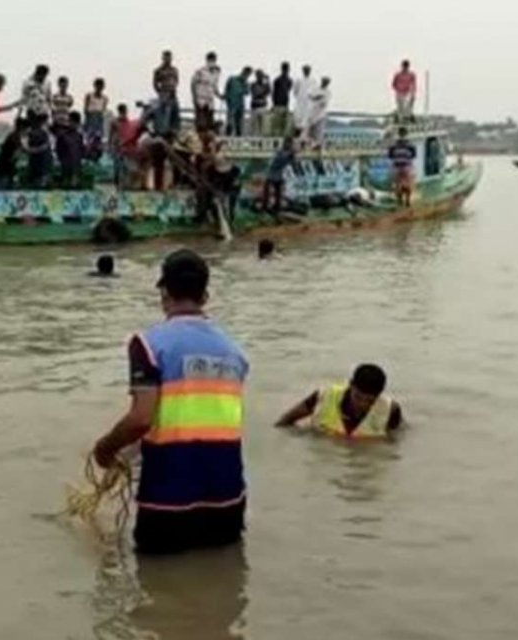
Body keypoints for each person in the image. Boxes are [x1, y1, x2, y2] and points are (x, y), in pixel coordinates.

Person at [92, 249, 250, 555]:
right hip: (228, 497)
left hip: (168, 499)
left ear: (164, 292)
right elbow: (195, 421)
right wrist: (129, 455)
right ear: (205, 296)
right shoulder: (234, 352)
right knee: (223, 577)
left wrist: (105, 449)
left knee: (156, 580)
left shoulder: (148, 345)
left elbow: (142, 419)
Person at [275, 364, 404, 441]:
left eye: (370, 401)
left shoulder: (391, 410)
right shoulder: (323, 396)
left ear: (379, 395)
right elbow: (284, 422)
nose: (362, 404)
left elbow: (395, 440)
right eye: (358, 397)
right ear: (351, 385)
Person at [143, 95, 180, 191]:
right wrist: (151, 131)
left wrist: (174, 133)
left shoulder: (173, 109)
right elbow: (145, 120)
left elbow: (176, 124)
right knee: (158, 162)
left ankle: (171, 184)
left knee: (172, 162)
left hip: (169, 137)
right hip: (158, 136)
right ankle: (158, 186)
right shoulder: (155, 109)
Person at [261, 134, 296, 214]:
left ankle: (277, 208)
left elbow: (292, 162)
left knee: (278, 193)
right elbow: (278, 160)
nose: (289, 145)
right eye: (287, 143)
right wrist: (290, 155)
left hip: (279, 174)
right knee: (267, 191)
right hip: (272, 173)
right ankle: (265, 207)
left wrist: (292, 156)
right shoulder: (279, 151)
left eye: (290, 144)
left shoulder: (289, 153)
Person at [109, 103, 141, 188]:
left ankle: (122, 183)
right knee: (119, 166)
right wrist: (110, 145)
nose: (125, 112)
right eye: (124, 111)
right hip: (119, 145)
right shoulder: (116, 121)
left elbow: (112, 134)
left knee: (122, 166)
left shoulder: (125, 121)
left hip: (123, 146)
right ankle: (118, 183)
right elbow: (111, 134)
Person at [0, 118, 27, 190]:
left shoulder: (14, 136)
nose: (26, 131)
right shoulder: (14, 136)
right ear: (21, 127)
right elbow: (22, 149)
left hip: (7, 167)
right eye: (25, 128)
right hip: (4, 168)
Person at [190, 52, 222, 132]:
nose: (212, 62)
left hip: (210, 101)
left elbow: (215, 87)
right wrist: (194, 98)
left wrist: (220, 96)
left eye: (214, 60)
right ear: (207, 60)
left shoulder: (216, 73)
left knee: (209, 123)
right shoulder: (200, 71)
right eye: (211, 60)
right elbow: (193, 84)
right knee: (201, 124)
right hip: (200, 100)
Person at [387, 127, 418, 207]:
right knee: (409, 183)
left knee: (398, 184)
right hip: (407, 165)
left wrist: (397, 156)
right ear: (406, 134)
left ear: (398, 133)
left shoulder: (393, 144)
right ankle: (407, 201)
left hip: (396, 166)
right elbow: (414, 155)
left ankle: (399, 200)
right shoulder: (410, 144)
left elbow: (390, 156)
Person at [55, 111, 85, 189]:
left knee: (74, 186)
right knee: (65, 186)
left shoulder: (79, 136)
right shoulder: (62, 136)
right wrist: (61, 160)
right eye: (71, 122)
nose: (73, 124)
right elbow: (58, 150)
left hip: (76, 167)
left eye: (76, 123)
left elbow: (82, 150)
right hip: (65, 166)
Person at [23, 116, 53, 189]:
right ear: (43, 123)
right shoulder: (42, 134)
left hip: (38, 165)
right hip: (42, 165)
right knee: (40, 184)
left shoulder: (34, 133)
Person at [305, 77, 332, 148]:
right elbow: (310, 96)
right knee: (309, 132)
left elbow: (323, 103)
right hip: (312, 113)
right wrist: (318, 97)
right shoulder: (315, 89)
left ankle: (319, 145)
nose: (325, 83)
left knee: (319, 132)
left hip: (321, 115)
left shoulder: (328, 92)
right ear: (322, 81)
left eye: (327, 82)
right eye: (324, 81)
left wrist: (317, 97)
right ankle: (312, 145)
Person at [270, 62, 293, 136]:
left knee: (284, 124)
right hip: (277, 104)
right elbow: (274, 92)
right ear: (282, 69)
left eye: (287, 69)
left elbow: (288, 90)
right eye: (285, 69)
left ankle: (282, 138)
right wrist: (274, 104)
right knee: (277, 124)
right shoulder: (277, 80)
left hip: (285, 104)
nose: (286, 71)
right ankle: (276, 138)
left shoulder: (289, 80)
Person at [83, 78, 109, 144]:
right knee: (89, 139)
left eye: (101, 86)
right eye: (98, 86)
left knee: (98, 139)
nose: (99, 88)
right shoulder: (89, 96)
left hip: (99, 119)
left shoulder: (105, 98)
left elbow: (103, 110)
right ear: (95, 86)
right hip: (90, 118)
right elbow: (85, 109)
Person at [248, 70, 271, 136]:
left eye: (261, 75)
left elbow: (268, 92)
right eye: (259, 75)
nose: (260, 77)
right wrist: (263, 93)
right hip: (255, 107)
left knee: (263, 126)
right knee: (253, 126)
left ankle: (262, 138)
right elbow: (257, 93)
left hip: (263, 106)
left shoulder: (265, 85)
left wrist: (268, 81)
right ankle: (252, 138)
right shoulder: (253, 84)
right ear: (256, 76)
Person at [292, 65, 314, 133]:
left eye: (308, 70)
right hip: (299, 101)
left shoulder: (313, 81)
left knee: (306, 119)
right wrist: (300, 97)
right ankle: (297, 131)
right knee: (298, 117)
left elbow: (314, 92)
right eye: (305, 70)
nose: (307, 71)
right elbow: (295, 91)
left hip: (308, 103)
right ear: (303, 71)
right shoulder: (299, 80)